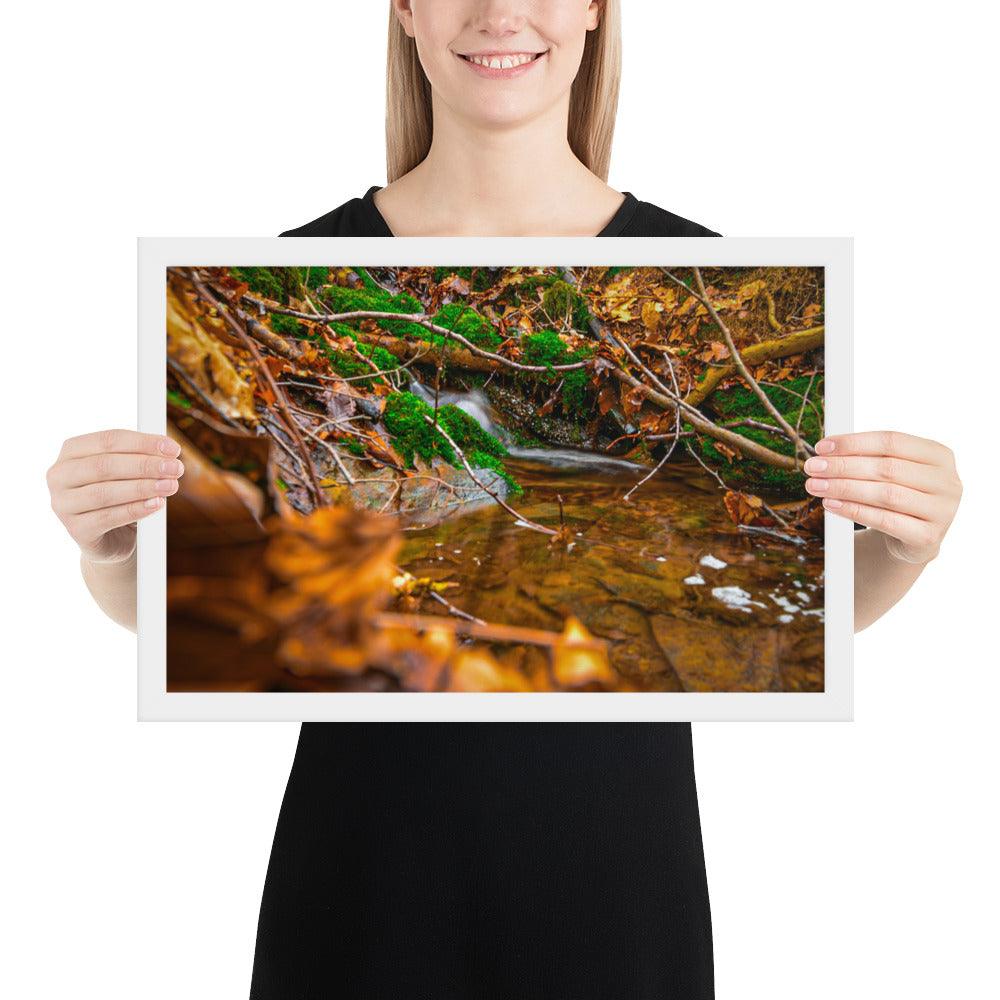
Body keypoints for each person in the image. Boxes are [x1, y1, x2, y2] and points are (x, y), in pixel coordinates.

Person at [45, 2, 964, 997]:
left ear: (593, 10)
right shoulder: (285, 268)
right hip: (364, 885)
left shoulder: (709, 264)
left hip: (617, 891)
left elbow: (793, 629)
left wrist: (904, 545)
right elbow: (204, 614)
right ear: (402, 9)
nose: (499, 11)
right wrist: (110, 549)